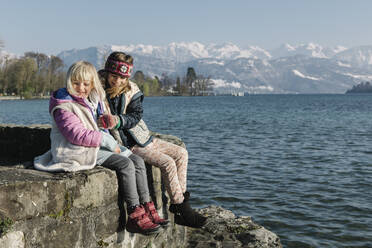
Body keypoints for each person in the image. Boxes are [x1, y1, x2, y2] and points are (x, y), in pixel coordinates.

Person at [33, 61, 168, 235]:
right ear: (69, 82)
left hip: (94, 146)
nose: (81, 88)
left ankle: (147, 207)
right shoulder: (63, 105)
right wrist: (109, 142)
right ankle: (135, 214)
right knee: (125, 164)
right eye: (76, 83)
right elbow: (77, 135)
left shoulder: (93, 101)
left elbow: (102, 128)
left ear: (92, 84)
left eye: (86, 84)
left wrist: (113, 141)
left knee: (137, 160)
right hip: (76, 149)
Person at [98, 52, 207, 228]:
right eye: (113, 76)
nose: (117, 81)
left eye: (121, 78)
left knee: (181, 153)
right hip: (128, 145)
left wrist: (118, 120)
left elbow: (135, 116)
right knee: (168, 163)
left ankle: (180, 205)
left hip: (143, 138)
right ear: (107, 72)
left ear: (127, 77)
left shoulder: (133, 91)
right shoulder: (98, 89)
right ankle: (183, 210)